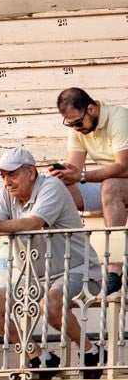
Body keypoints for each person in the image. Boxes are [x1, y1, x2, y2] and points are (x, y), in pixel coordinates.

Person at [0, 148, 103, 379]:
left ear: (31, 172)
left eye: (12, 174)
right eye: (3, 176)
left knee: (49, 304)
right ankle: (40, 357)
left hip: (78, 271)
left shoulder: (52, 186)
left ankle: (92, 352)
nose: (7, 181)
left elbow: (34, 223)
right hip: (32, 277)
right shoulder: (6, 194)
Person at [49, 87, 127, 294]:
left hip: (120, 180)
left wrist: (82, 176)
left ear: (91, 109)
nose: (75, 128)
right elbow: (73, 169)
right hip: (113, 185)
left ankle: (114, 267)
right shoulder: (79, 128)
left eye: (77, 122)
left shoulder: (119, 118)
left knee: (110, 186)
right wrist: (62, 174)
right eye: (70, 124)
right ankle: (66, 262)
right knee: (59, 189)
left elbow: (124, 167)